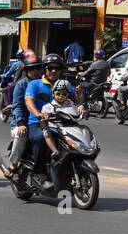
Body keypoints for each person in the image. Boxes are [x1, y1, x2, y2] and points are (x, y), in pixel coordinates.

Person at [23, 55, 70, 190]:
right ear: (45, 69)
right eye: (50, 68)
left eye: (57, 68)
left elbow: (75, 99)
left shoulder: (65, 84)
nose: (54, 71)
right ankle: (41, 174)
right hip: (38, 123)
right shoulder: (35, 84)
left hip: (61, 123)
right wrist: (37, 113)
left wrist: (81, 105)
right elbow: (29, 101)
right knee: (41, 138)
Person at [78, 49, 110, 113]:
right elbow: (109, 73)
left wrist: (81, 74)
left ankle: (83, 103)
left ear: (96, 56)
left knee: (84, 85)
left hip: (93, 83)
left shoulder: (94, 64)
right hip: (103, 83)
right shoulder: (107, 64)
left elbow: (86, 73)